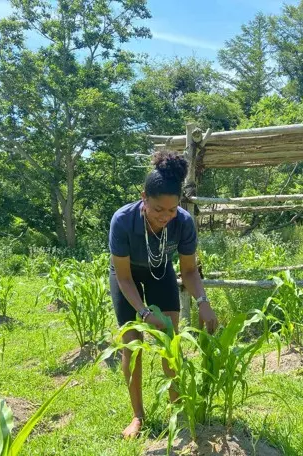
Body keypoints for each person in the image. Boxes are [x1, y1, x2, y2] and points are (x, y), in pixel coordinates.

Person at [109, 150, 218, 439]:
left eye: (172, 210)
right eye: (159, 210)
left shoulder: (183, 223)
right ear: (143, 197)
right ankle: (137, 416)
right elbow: (122, 276)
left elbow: (190, 271)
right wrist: (144, 313)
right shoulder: (122, 221)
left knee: (170, 342)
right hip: (128, 278)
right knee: (131, 347)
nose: (166, 217)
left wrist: (203, 303)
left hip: (161, 272)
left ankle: (177, 409)